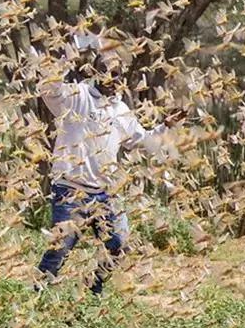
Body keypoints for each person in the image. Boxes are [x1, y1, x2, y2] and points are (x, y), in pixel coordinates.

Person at [32, 34, 184, 295]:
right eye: (106, 72)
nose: (112, 79)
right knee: (61, 249)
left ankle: (93, 290)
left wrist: (166, 126)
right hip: (70, 190)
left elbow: (142, 140)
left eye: (117, 74)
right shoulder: (77, 95)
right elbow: (49, 89)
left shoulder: (120, 110)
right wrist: (69, 54)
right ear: (94, 72)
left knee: (120, 243)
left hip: (104, 192)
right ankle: (36, 299)